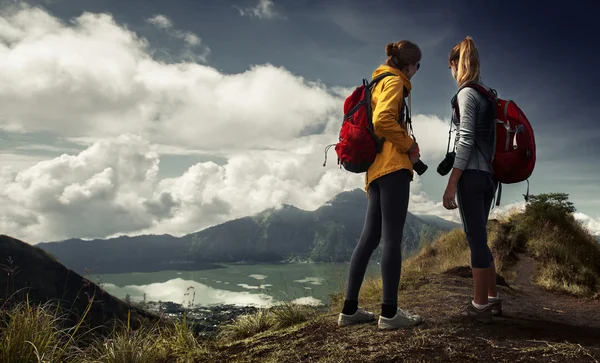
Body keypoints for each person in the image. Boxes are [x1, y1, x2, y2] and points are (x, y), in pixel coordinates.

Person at [338, 40, 424, 330]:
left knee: (369, 239)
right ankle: (389, 313)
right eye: (417, 65)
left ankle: (349, 309)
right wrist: (410, 146)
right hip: (393, 167)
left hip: (374, 170)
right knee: (391, 239)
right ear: (408, 65)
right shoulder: (395, 83)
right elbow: (384, 120)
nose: (416, 71)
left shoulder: (376, 82)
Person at [442, 36, 501, 323]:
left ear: (455, 65)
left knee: (475, 238)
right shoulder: (488, 93)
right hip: (489, 177)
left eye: (450, 67)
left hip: (472, 177)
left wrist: (452, 183)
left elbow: (465, 140)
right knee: (481, 236)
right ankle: (492, 297)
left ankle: (479, 306)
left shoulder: (466, 94)